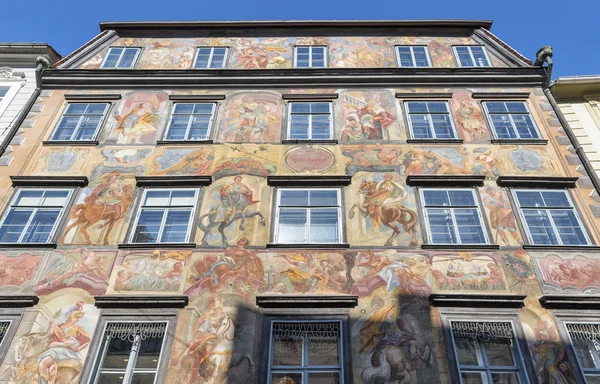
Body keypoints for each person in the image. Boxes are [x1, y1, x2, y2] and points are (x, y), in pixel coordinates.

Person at [36, 305, 91, 384]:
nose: (77, 320)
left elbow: (79, 341)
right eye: (76, 317)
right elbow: (48, 337)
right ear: (69, 315)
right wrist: (50, 325)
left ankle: (44, 372)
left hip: (69, 352)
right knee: (44, 359)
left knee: (46, 359)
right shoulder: (58, 327)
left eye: (78, 318)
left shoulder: (78, 328)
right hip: (56, 349)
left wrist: (59, 344)